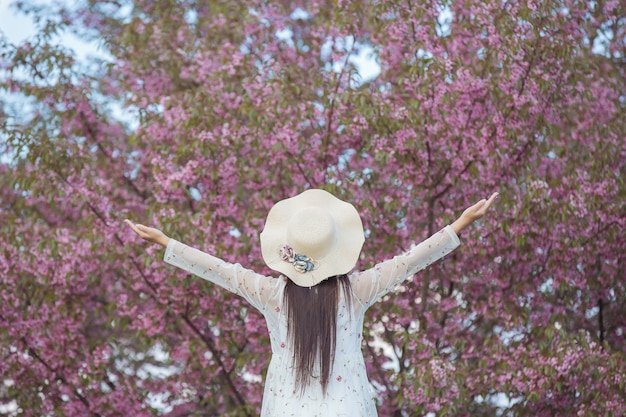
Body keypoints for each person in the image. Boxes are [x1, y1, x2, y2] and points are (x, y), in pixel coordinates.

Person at [125, 189, 498, 417]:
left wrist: (166, 243)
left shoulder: (272, 294)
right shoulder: (356, 291)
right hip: (347, 410)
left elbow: (221, 270)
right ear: (337, 248)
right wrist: (459, 224)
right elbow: (409, 261)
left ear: (287, 253)